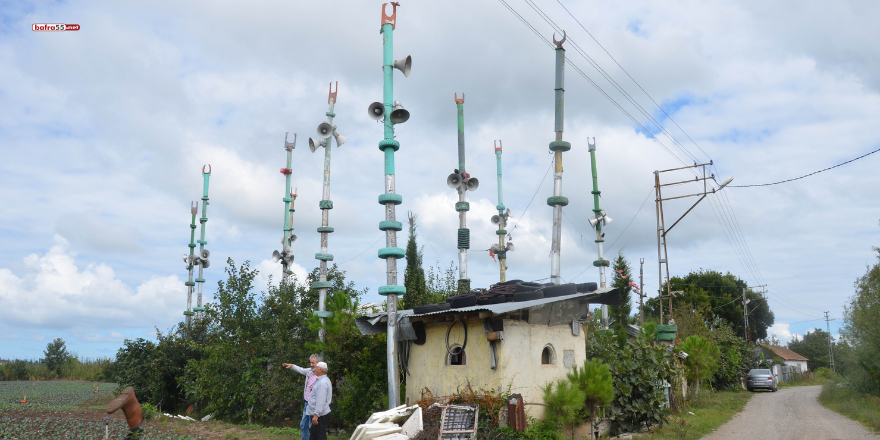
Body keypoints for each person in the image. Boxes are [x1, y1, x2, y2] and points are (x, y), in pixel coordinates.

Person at [282, 354, 321, 440]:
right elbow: (301, 370)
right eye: (310, 363)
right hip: (307, 404)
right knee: (303, 425)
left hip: (314, 405)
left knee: (312, 427)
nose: (311, 365)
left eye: (313, 363)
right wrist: (292, 366)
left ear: (318, 363)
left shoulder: (321, 376)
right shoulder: (309, 371)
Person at [307, 361, 332, 440]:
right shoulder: (322, 380)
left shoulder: (322, 383)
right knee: (314, 435)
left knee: (320, 436)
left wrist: (316, 415)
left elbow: (320, 400)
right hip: (319, 414)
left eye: (316, 368)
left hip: (319, 415)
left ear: (320, 370)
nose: (314, 369)